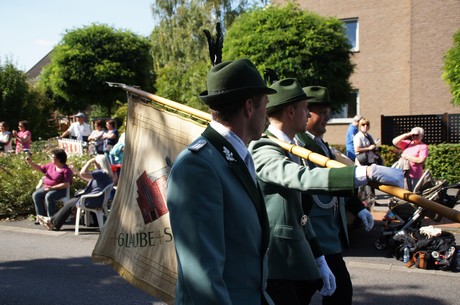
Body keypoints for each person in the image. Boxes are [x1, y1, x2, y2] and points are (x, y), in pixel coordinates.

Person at [248, 78, 402, 305]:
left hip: (305, 247)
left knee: (339, 294)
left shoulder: (290, 146)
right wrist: (365, 173)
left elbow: (299, 212)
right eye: (305, 110)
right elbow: (302, 178)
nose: (309, 115)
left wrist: (319, 256)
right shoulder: (265, 146)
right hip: (279, 260)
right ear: (291, 111)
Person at [166, 58, 277, 305]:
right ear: (249, 107)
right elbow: (202, 277)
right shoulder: (198, 165)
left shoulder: (234, 156)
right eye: (265, 107)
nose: (267, 117)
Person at [295, 86, 374, 305]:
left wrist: (358, 207)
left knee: (339, 294)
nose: (327, 118)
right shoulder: (297, 146)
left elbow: (337, 181)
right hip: (313, 238)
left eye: (329, 112)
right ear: (306, 112)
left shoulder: (322, 146)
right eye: (322, 112)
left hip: (329, 238)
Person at [37, 155, 113, 231]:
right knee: (70, 203)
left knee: (69, 204)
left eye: (95, 162)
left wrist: (89, 162)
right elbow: (86, 178)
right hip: (97, 199)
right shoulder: (105, 174)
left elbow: (83, 173)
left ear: (99, 163)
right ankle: (52, 221)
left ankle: (53, 223)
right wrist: (75, 171)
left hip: (92, 200)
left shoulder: (99, 173)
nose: (94, 164)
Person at [27, 148, 73, 217]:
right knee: (36, 195)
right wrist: (30, 163)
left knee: (49, 196)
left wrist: (52, 188)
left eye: (53, 157)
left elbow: (66, 184)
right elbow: (39, 168)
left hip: (60, 190)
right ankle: (41, 216)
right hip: (47, 187)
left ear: (59, 159)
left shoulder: (66, 170)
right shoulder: (50, 165)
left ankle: (52, 218)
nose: (51, 158)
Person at [392, 127, 428, 191]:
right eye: (413, 135)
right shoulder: (408, 143)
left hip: (414, 175)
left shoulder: (423, 146)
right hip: (403, 174)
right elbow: (394, 142)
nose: (414, 137)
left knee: (413, 195)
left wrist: (407, 157)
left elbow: (421, 160)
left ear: (422, 136)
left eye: (417, 135)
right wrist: (408, 134)